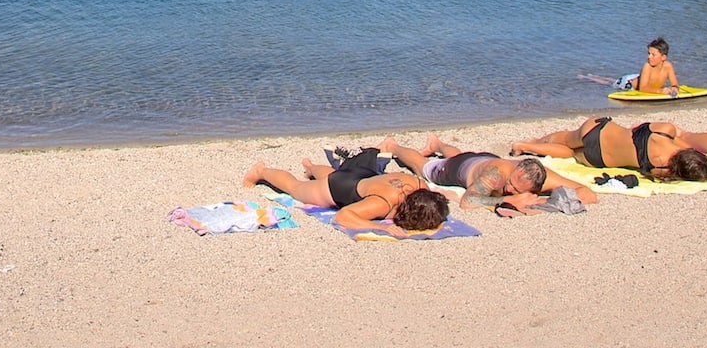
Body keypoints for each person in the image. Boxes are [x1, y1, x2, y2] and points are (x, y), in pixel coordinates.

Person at [240, 151, 450, 237]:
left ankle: (311, 167)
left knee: (333, 174)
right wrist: (381, 227)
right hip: (338, 188)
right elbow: (343, 216)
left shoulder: (418, 184)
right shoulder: (383, 203)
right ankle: (261, 171)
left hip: (362, 175)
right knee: (295, 188)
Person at [376, 135, 598, 208]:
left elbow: (588, 193)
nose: (510, 191)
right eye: (510, 186)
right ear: (515, 170)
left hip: (479, 159)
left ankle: (437, 144)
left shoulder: (540, 175)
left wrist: (546, 201)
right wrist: (509, 200)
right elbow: (468, 201)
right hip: (457, 169)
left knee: (459, 154)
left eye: (517, 191)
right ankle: (393, 146)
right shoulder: (495, 175)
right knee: (423, 166)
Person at [511, 117, 707, 182]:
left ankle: (534, 142)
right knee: (571, 154)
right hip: (598, 158)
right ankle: (526, 147)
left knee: (566, 138)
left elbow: (639, 128)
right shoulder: (661, 169)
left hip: (599, 131)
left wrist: (704, 156)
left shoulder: (665, 130)